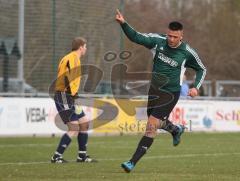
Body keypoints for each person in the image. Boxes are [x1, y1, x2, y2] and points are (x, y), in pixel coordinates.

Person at [115, 9, 206, 172]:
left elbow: (201, 69)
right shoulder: (158, 41)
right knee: (154, 121)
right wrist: (123, 24)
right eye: (169, 35)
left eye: (175, 37)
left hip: (170, 93)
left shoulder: (187, 52)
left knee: (151, 126)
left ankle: (132, 162)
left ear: (181, 37)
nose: (171, 39)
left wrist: (196, 87)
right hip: (154, 90)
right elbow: (137, 37)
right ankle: (176, 129)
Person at [51, 37, 97, 163]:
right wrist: (71, 92)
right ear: (81, 47)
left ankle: (82, 156)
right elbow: (67, 77)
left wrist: (74, 94)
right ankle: (56, 156)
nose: (86, 49)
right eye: (85, 47)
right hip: (64, 95)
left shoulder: (70, 57)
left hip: (70, 95)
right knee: (74, 128)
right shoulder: (73, 58)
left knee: (84, 123)